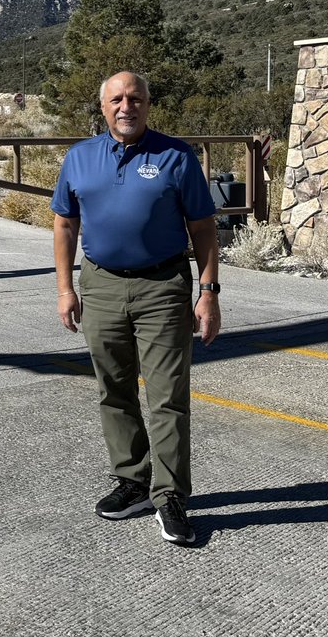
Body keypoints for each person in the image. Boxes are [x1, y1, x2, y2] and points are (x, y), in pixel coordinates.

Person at [51, 71, 221, 546]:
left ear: (148, 104)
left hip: (163, 286)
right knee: (114, 388)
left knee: (167, 396)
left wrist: (208, 293)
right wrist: (66, 289)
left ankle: (170, 495)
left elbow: (204, 228)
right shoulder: (80, 158)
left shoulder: (176, 156)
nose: (127, 107)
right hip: (100, 283)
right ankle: (132, 481)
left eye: (137, 99)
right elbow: (65, 226)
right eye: (118, 100)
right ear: (103, 107)